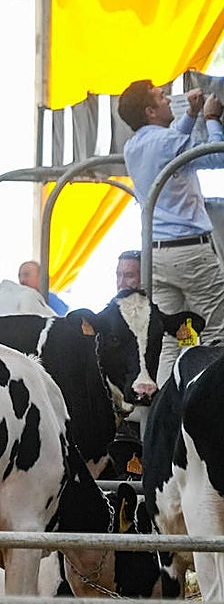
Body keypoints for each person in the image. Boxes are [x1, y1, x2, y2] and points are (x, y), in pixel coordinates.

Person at [119, 79, 224, 384]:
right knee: (216, 330)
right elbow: (217, 155)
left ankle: (164, 418)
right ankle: (212, 414)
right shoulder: (165, 143)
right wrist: (211, 119)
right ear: (151, 111)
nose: (169, 100)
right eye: (161, 97)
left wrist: (190, 116)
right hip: (191, 251)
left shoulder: (134, 145)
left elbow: (171, 146)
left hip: (158, 254)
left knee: (170, 339)